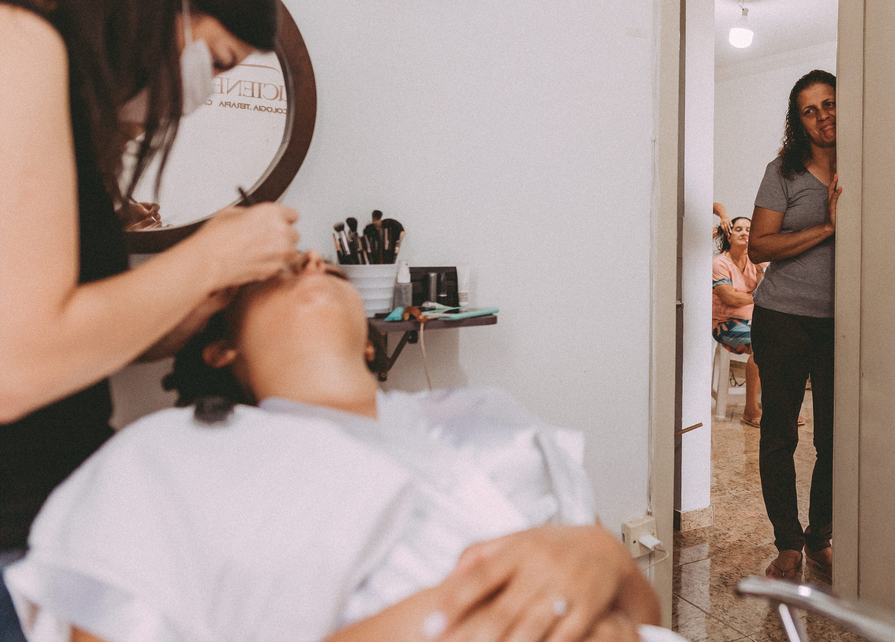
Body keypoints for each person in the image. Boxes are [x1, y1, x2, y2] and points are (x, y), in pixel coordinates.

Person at [4, 251, 663, 642]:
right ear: (220, 347)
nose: (313, 263)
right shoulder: (164, 458)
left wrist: (600, 554)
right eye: (281, 271)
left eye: (330, 268)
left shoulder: (487, 415)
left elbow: (645, 610)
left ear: (372, 343)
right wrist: (446, 617)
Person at [0, 0, 302, 639]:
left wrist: (187, 310)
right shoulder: (18, 40)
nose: (204, 92)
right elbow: (18, 365)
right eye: (217, 61)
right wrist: (210, 254)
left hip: (57, 515)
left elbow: (58, 335)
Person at [748, 70, 841, 584]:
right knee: (779, 436)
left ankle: (820, 537)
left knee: (834, 438)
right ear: (798, 121)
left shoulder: (865, 165)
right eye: (810, 110)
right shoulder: (782, 172)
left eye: (829, 103)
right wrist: (826, 226)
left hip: (841, 324)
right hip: (782, 318)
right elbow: (759, 246)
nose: (823, 116)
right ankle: (788, 544)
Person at [711, 216, 770, 428]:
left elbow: (768, 294)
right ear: (729, 236)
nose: (745, 233)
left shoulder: (757, 262)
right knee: (762, 345)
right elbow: (730, 299)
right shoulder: (719, 263)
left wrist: (761, 270)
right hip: (726, 323)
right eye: (739, 229)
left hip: (756, 320)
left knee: (787, 344)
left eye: (749, 229)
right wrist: (757, 296)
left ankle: (776, 408)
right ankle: (750, 409)